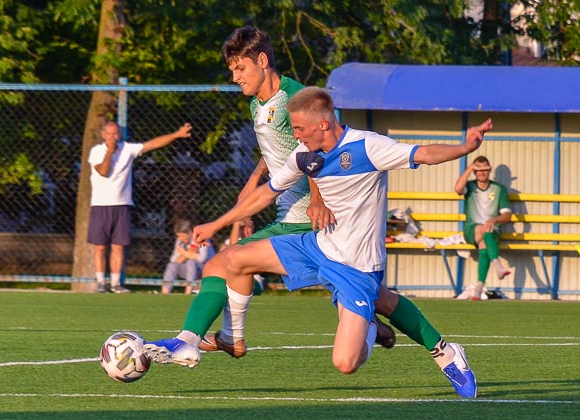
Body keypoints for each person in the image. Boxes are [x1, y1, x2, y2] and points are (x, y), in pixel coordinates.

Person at [144, 27, 478, 398]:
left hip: (353, 259)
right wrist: (220, 221)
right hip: (316, 242)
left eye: (301, 130)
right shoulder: (298, 148)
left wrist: (465, 146)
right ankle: (194, 340)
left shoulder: (366, 146)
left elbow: (423, 153)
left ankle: (435, 346)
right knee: (231, 260)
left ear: (321, 124)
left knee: (347, 360)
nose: (297, 137)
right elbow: (272, 185)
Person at [88, 120, 193, 293]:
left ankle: (115, 284)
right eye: (109, 134)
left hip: (122, 204)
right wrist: (109, 152)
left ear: (119, 135)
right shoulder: (97, 151)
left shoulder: (127, 149)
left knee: (118, 246)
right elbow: (103, 171)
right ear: (103, 135)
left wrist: (176, 135)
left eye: (115, 134)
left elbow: (152, 144)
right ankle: (100, 283)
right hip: (101, 205)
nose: (112, 137)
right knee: (99, 246)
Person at [454, 156, 512, 300]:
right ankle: (497, 264)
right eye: (478, 170)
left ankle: (478, 288)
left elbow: (506, 215)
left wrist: (495, 219)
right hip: (471, 229)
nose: (482, 173)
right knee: (484, 229)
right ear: (474, 171)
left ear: (490, 169)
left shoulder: (499, 189)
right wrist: (469, 169)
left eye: (485, 170)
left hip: (492, 232)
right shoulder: (470, 187)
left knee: (485, 243)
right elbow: (457, 188)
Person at [161, 220, 215, 294]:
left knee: (191, 262)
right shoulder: (179, 241)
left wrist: (184, 253)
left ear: (190, 232)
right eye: (179, 236)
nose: (181, 238)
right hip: (190, 270)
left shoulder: (201, 238)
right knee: (171, 266)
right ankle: (165, 293)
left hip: (206, 269)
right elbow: (173, 260)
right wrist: (188, 254)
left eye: (183, 236)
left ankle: (188, 292)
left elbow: (202, 258)